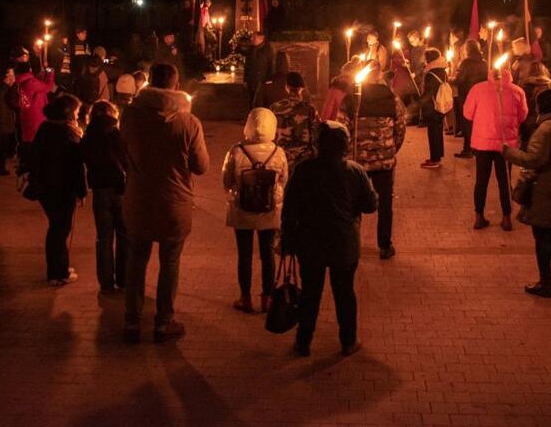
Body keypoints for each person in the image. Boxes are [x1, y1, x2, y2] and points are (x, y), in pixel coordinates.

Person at [120, 64, 209, 343]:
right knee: (169, 262)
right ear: (176, 85)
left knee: (136, 260)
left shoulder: (130, 116)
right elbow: (201, 166)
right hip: (174, 203)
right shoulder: (188, 123)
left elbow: (123, 151)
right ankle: (163, 321)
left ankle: (132, 320)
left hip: (138, 200)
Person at [282, 121, 378, 357]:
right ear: (344, 145)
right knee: (344, 293)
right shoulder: (355, 171)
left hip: (310, 243)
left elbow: (290, 209)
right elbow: (370, 205)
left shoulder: (303, 170)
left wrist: (287, 241)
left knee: (310, 294)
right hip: (344, 243)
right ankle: (348, 341)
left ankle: (303, 342)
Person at [503, 89, 551, 297]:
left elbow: (534, 159)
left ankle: (545, 282)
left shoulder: (546, 129)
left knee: (542, 236)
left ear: (544, 106)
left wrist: (508, 152)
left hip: (544, 190)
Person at [221, 107, 288, 313]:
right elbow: (283, 180)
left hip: (242, 210)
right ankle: (267, 298)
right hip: (269, 210)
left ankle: (245, 298)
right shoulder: (278, 152)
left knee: (245, 255)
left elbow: (227, 180)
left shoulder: (236, 151)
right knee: (267, 254)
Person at [338, 60, 406, 259]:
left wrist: (348, 152)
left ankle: (352, 242)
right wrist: (391, 149)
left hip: (357, 160)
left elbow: (342, 128)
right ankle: (384, 245)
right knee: (385, 203)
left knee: (353, 202)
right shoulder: (392, 98)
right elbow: (400, 127)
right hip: (384, 161)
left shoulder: (351, 98)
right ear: (379, 75)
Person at [29, 94, 86, 286]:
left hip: (45, 187)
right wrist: (81, 191)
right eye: (76, 112)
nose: (78, 115)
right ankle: (58, 273)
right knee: (60, 229)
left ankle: (59, 268)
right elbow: (76, 166)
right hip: (62, 188)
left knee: (57, 227)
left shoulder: (46, 127)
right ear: (68, 113)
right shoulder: (67, 133)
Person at [463, 66, 528, 231]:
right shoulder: (517, 91)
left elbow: (467, 113)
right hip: (505, 144)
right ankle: (506, 218)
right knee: (504, 180)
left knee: (481, 180)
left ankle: (479, 216)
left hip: (482, 142)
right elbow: (523, 116)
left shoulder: (477, 89)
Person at [81, 100, 129, 293]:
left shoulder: (88, 136)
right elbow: (126, 160)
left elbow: (83, 159)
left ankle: (106, 283)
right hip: (120, 189)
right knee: (124, 235)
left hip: (100, 190)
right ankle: (124, 279)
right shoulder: (117, 134)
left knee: (103, 237)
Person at [270, 72, 319, 171]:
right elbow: (317, 132)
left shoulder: (275, 108)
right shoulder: (310, 109)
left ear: (287, 87)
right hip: (304, 159)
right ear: (302, 88)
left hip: (281, 156)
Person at [14, 62, 55, 174]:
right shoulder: (31, 82)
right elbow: (48, 87)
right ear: (30, 70)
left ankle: (27, 163)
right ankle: (31, 165)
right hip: (35, 114)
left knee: (27, 138)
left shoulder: (21, 81)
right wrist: (50, 73)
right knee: (34, 139)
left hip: (26, 113)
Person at [451, 40, 488, 158]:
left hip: (467, 95)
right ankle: (477, 148)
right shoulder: (484, 63)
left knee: (467, 122)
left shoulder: (465, 63)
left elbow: (460, 80)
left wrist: (450, 79)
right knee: (477, 122)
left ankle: (468, 149)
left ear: (467, 49)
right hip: (481, 96)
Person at [518, 61, 551, 150]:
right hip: (550, 127)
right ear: (545, 72)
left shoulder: (523, 89)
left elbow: (520, 110)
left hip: (529, 128)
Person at [419, 48, 448, 168]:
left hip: (433, 107)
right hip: (441, 105)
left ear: (429, 59)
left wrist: (420, 101)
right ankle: (437, 157)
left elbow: (429, 92)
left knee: (433, 133)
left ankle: (434, 159)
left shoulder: (431, 73)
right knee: (438, 132)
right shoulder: (442, 70)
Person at [245, 31, 274, 107]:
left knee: (261, 102)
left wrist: (269, 80)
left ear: (261, 39)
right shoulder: (250, 50)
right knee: (252, 101)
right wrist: (245, 79)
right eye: (251, 37)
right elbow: (247, 66)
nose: (251, 39)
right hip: (252, 81)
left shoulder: (268, 50)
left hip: (262, 80)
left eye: (254, 37)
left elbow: (271, 65)